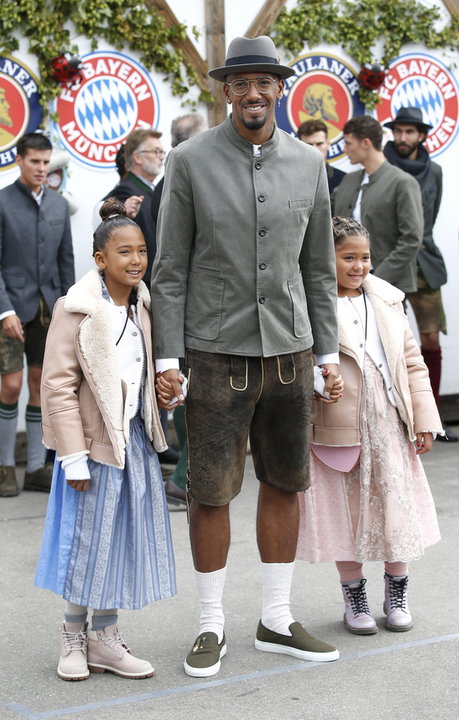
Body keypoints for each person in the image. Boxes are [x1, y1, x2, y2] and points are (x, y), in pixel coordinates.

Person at [152, 35, 341, 678]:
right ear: (226, 90)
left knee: (286, 481)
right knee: (210, 491)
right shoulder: (188, 160)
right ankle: (211, 626)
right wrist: (166, 360)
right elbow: (169, 269)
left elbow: (318, 269)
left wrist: (329, 351)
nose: (254, 93)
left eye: (265, 82)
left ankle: (277, 620)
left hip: (291, 350)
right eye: (242, 82)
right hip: (212, 352)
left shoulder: (309, 164)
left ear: (279, 88)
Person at [34, 198, 176, 681]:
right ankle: (73, 635)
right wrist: (72, 457)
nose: (135, 261)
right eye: (124, 253)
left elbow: (144, 376)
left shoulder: (146, 306)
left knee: (120, 542)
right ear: (100, 259)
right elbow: (57, 385)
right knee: (87, 543)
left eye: (141, 251)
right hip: (91, 449)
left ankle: (105, 638)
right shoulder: (75, 310)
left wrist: (168, 394)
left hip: (132, 444)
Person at [296, 216, 442, 635]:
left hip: (389, 422)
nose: (358, 266)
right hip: (339, 424)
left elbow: (411, 363)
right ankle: (354, 598)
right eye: (348, 258)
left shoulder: (388, 301)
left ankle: (397, 594)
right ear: (327, 260)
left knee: (395, 506)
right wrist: (318, 381)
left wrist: (424, 420)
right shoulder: (312, 304)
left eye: (365, 258)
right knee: (347, 511)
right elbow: (300, 360)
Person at [0, 132, 75, 497]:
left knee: (40, 386)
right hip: (10, 309)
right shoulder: (2, 202)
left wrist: (71, 311)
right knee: (11, 386)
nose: (41, 169)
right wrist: (5, 311)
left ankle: (33, 468)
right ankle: (3, 468)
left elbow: (66, 264)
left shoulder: (60, 205)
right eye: (35, 162)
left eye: (46, 162)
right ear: (20, 160)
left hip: (50, 309)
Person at [383, 107, 456, 443]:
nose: (402, 138)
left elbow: (429, 218)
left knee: (429, 341)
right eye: (397, 131)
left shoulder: (436, 171)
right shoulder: (382, 168)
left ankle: (433, 417)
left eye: (409, 132)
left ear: (422, 135)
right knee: (390, 343)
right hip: (392, 265)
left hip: (425, 264)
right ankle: (396, 417)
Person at [150, 112, 208, 506]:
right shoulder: (178, 179)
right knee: (192, 394)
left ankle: (187, 473)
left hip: (188, 302)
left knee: (191, 394)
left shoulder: (168, 179)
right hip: (186, 304)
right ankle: (185, 475)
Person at [332, 115, 423, 295]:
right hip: (344, 284)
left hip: (387, 285)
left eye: (349, 143)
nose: (345, 149)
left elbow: (411, 239)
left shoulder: (402, 182)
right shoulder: (348, 181)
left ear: (366, 143)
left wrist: (376, 279)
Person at [102, 128, 165, 287]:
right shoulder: (125, 191)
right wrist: (123, 215)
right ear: (137, 157)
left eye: (162, 152)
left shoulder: (149, 190)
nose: (161, 157)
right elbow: (108, 233)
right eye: (156, 151)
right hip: (141, 284)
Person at [297, 119, 345, 194]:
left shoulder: (344, 179)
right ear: (299, 146)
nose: (315, 149)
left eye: (319, 144)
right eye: (308, 145)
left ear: (328, 144)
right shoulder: (288, 178)